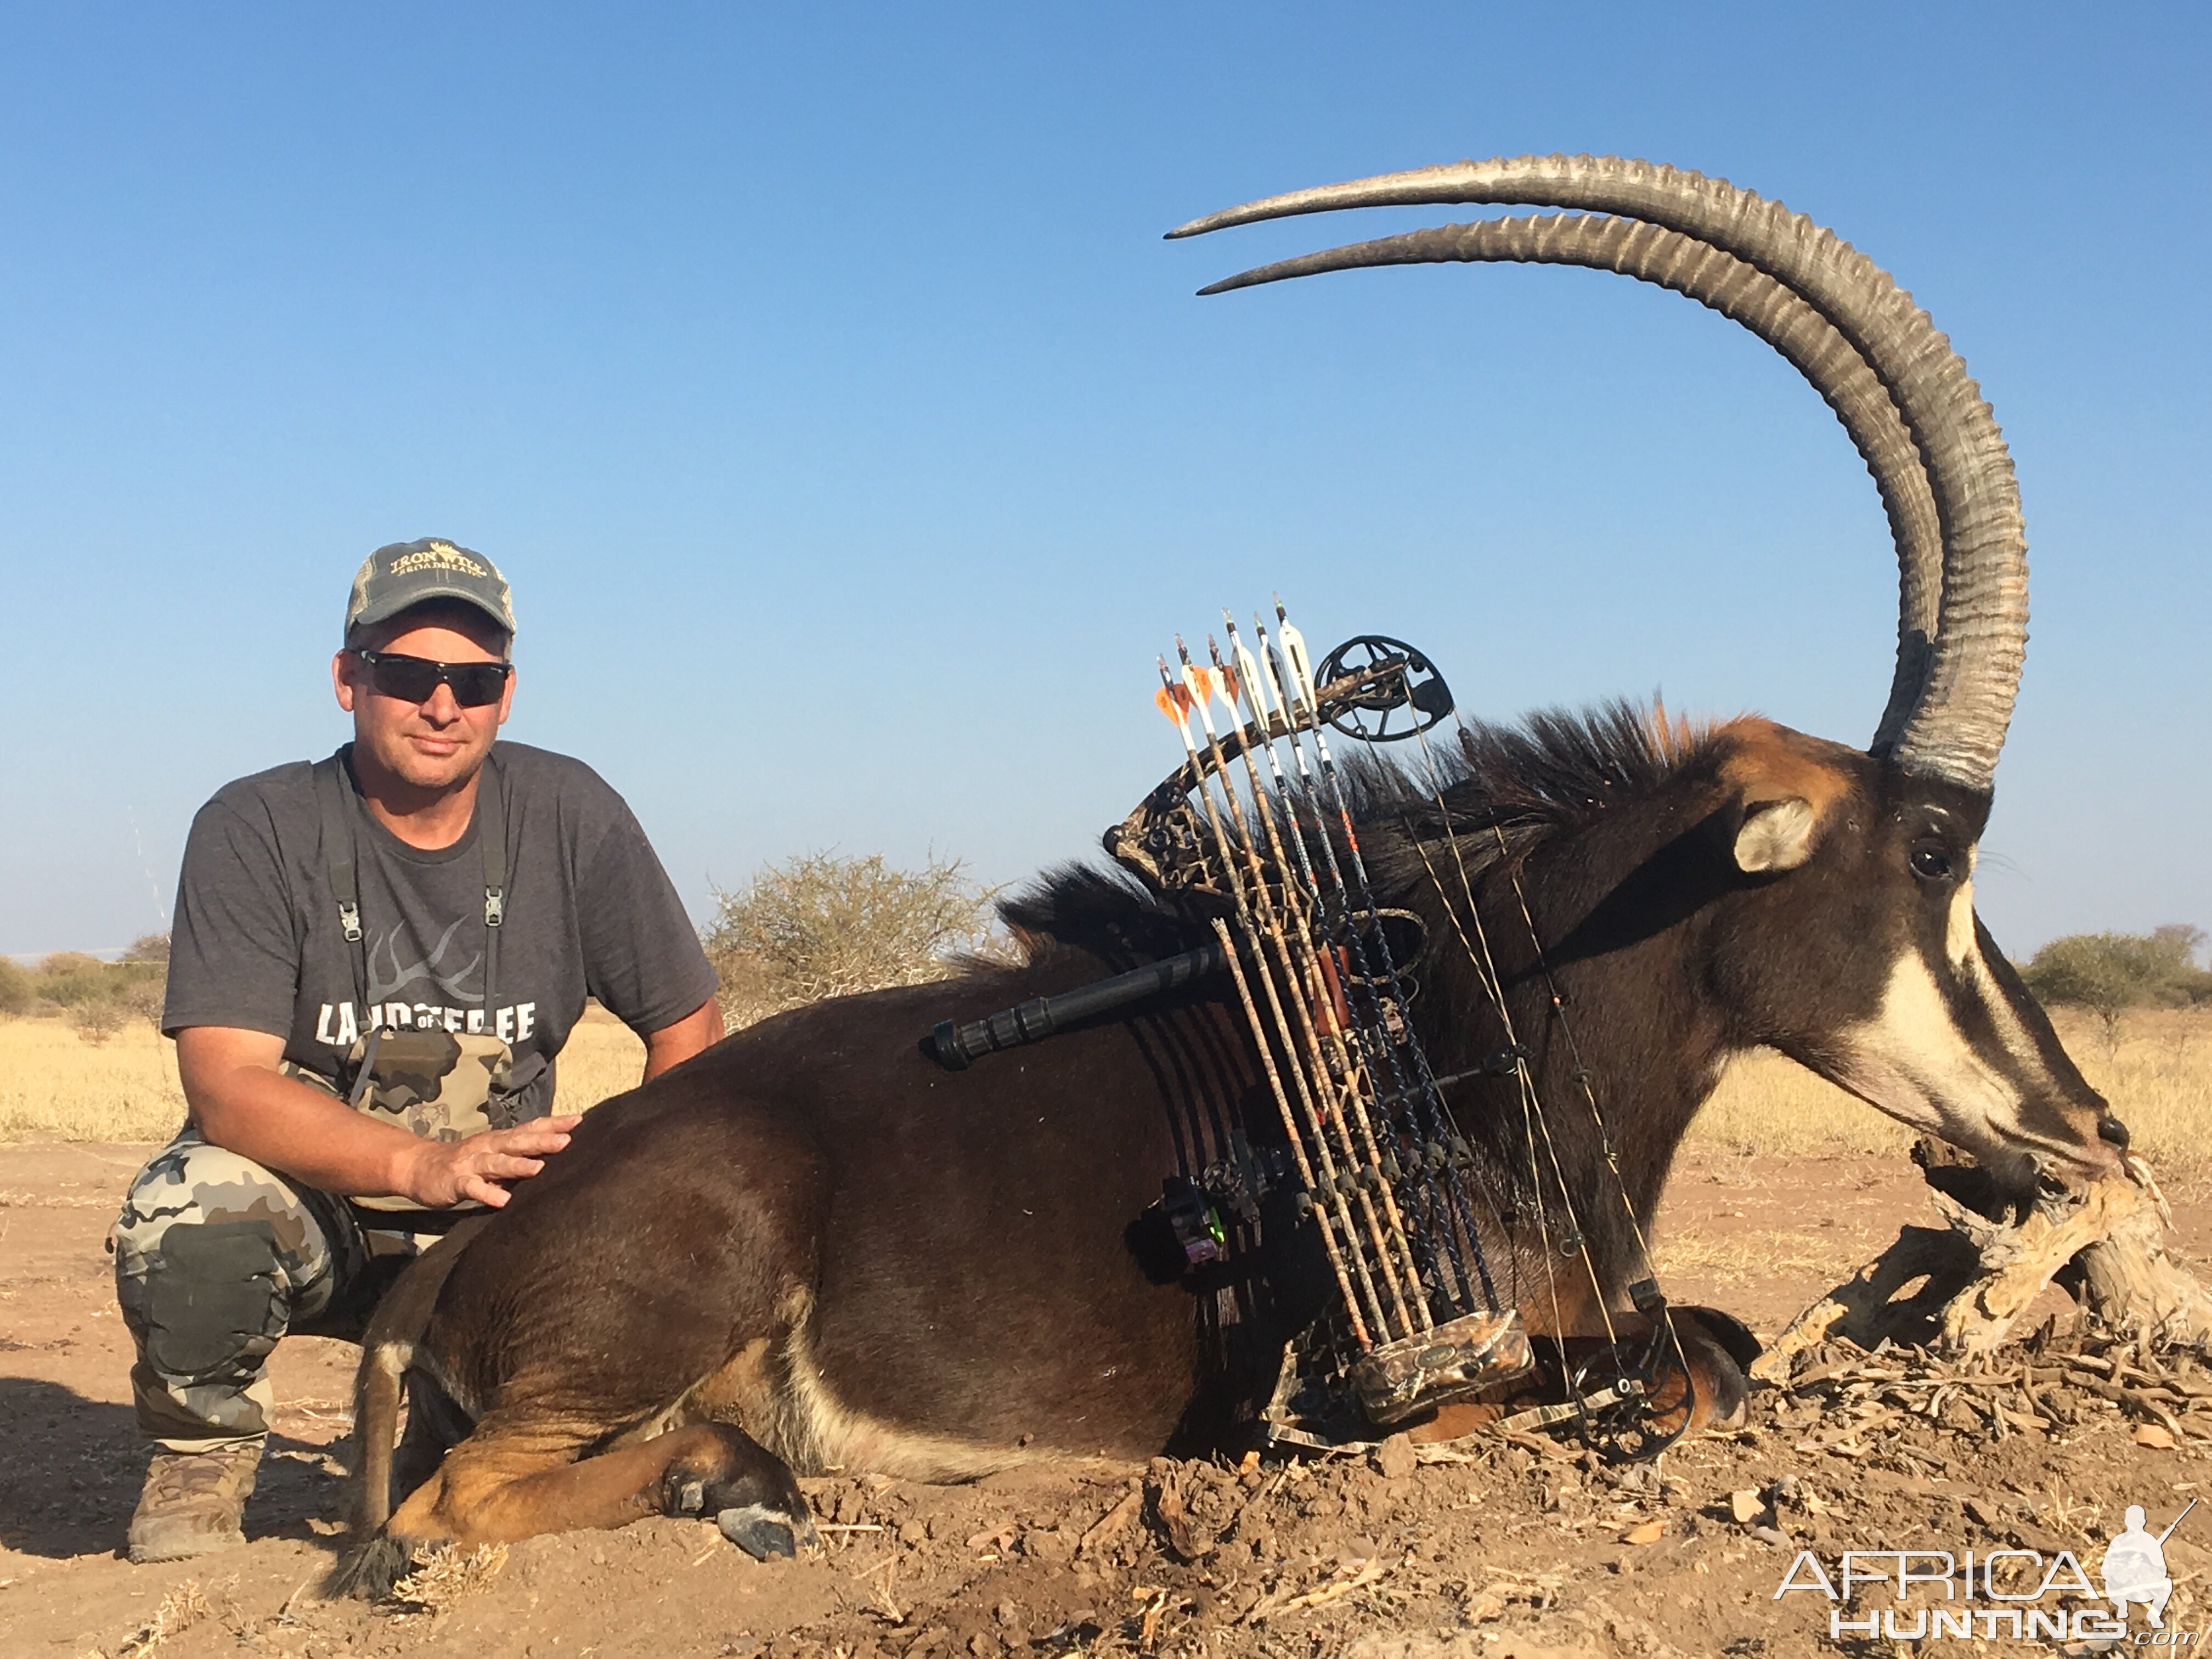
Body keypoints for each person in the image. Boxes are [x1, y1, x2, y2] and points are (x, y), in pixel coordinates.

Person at [114, 538, 724, 1564]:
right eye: (407, 673)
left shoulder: (573, 813)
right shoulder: (254, 824)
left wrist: (620, 1207)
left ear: (507, 695)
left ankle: (454, 1426)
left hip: (501, 1227)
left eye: (473, 680)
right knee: (193, 1204)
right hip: (324, 1213)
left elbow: (690, 1032)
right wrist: (421, 1165)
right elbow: (227, 1087)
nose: (443, 705)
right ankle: (201, 1453)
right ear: (349, 679)